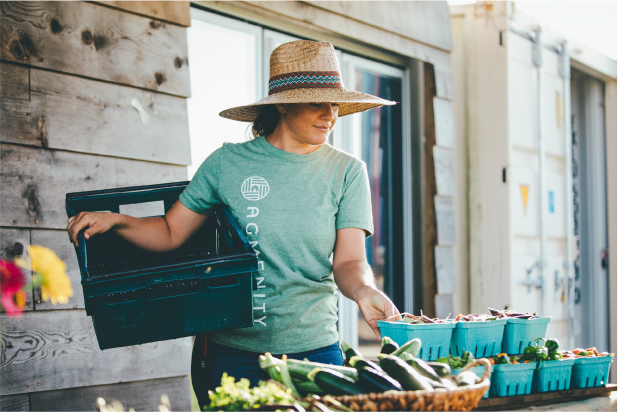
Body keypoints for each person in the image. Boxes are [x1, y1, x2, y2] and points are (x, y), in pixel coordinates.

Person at [66, 40, 401, 406]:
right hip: (230, 354)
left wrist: (364, 291)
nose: (330, 114)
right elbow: (171, 232)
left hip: (314, 354)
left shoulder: (347, 172)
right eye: (315, 101)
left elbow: (350, 261)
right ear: (283, 102)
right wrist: (117, 220)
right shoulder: (227, 163)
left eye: (334, 103)